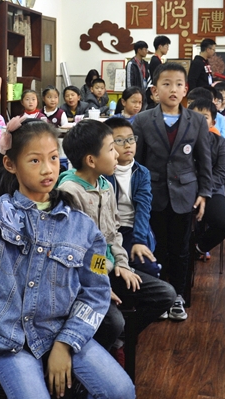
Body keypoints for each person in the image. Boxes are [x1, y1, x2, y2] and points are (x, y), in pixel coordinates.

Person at [0, 73, 135, 399]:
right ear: (11, 164)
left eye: (53, 158)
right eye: (35, 160)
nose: (47, 169)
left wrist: (66, 344)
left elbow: (96, 289)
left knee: (121, 390)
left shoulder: (84, 228)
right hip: (11, 339)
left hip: (63, 330)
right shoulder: (0, 215)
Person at [58, 120, 174, 348]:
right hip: (84, 279)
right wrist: (101, 283)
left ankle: (120, 342)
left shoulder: (105, 186)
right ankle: (102, 346)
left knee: (165, 294)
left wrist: (122, 264)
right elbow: (79, 254)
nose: (117, 155)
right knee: (114, 322)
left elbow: (113, 234)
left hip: (106, 268)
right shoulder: (70, 193)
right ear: (91, 160)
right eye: (111, 149)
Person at [132, 62, 213, 321]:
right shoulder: (143, 120)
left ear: (186, 89)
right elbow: (137, 163)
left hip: (185, 194)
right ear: (155, 91)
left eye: (178, 84)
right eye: (166, 84)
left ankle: (179, 296)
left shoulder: (196, 121)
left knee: (182, 248)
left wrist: (204, 193)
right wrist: (136, 197)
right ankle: (160, 297)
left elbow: (204, 161)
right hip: (153, 195)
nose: (173, 89)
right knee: (158, 248)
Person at [102, 118, 160, 277]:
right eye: (119, 140)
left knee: (151, 269)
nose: (127, 145)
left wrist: (139, 241)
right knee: (100, 269)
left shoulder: (142, 173)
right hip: (107, 233)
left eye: (131, 139)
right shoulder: (102, 172)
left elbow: (143, 208)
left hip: (133, 229)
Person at [187, 99, 225, 262]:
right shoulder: (180, 141)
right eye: (195, 116)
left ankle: (197, 248)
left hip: (213, 189)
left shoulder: (220, 143)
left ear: (213, 122)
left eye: (204, 117)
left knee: (222, 223)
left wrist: (204, 192)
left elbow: (221, 173)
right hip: (186, 188)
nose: (199, 120)